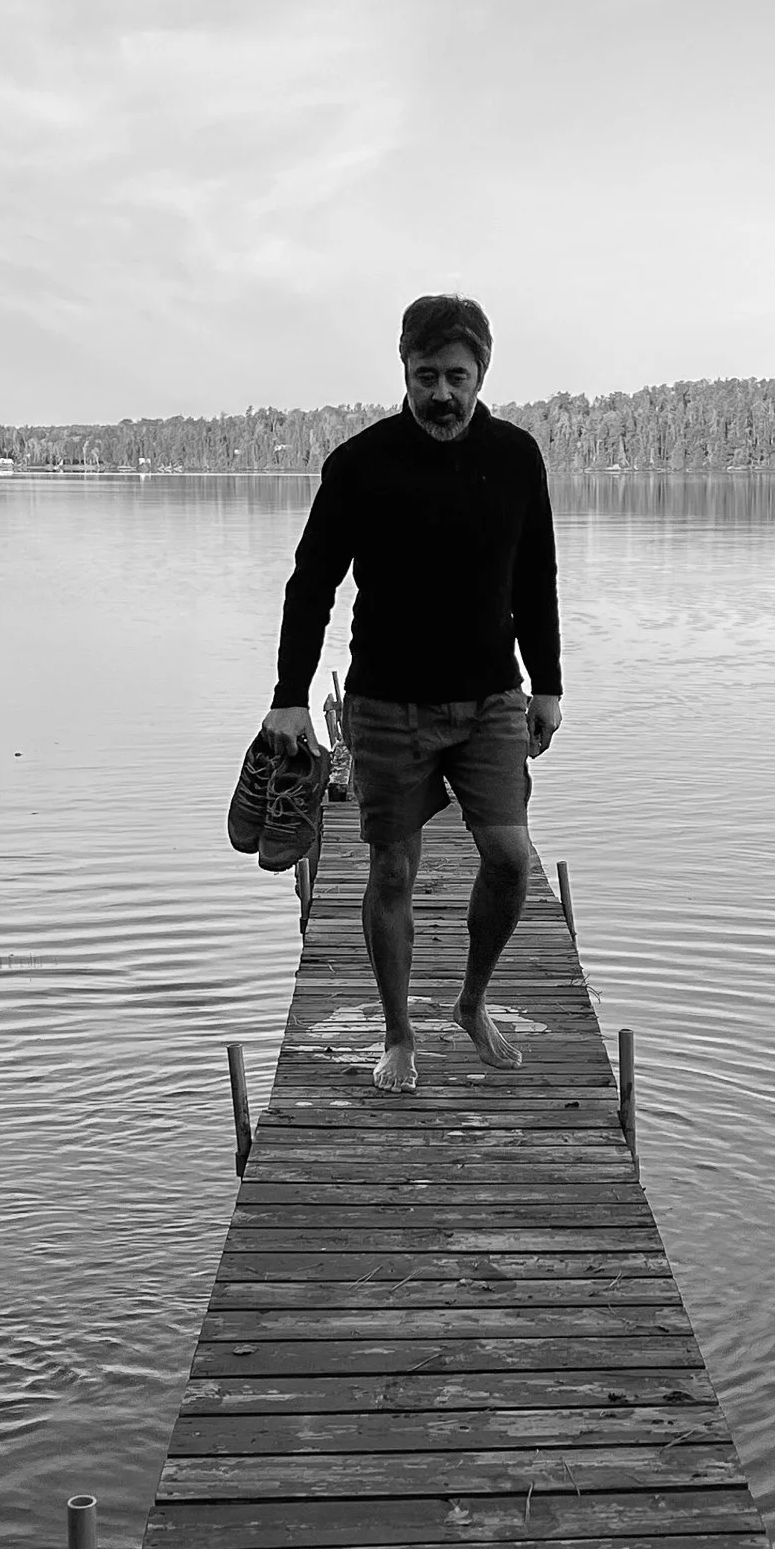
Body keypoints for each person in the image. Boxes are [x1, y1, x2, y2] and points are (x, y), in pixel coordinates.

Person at [263, 293, 563, 1093]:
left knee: (508, 858)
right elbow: (311, 585)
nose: (441, 393)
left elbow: (536, 577)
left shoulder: (516, 457)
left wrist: (550, 684)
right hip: (388, 703)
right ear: (403, 369)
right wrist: (291, 693)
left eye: (456, 376)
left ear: (481, 375)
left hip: (493, 697)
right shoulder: (361, 465)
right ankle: (398, 1034)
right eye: (425, 374)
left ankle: (471, 1002)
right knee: (392, 870)